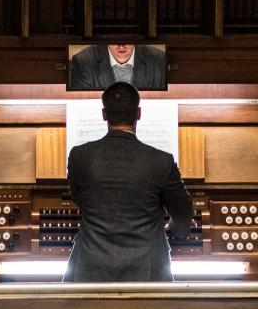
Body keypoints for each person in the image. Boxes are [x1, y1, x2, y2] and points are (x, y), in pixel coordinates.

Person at [64, 82, 194, 282]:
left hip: (90, 269)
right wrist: (175, 226)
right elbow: (183, 212)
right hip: (147, 273)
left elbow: (78, 197)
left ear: (104, 114)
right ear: (138, 113)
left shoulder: (79, 156)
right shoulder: (162, 160)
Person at [67, 42, 167, 91]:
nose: (121, 46)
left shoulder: (159, 60)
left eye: (127, 39)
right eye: (114, 40)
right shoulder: (83, 62)